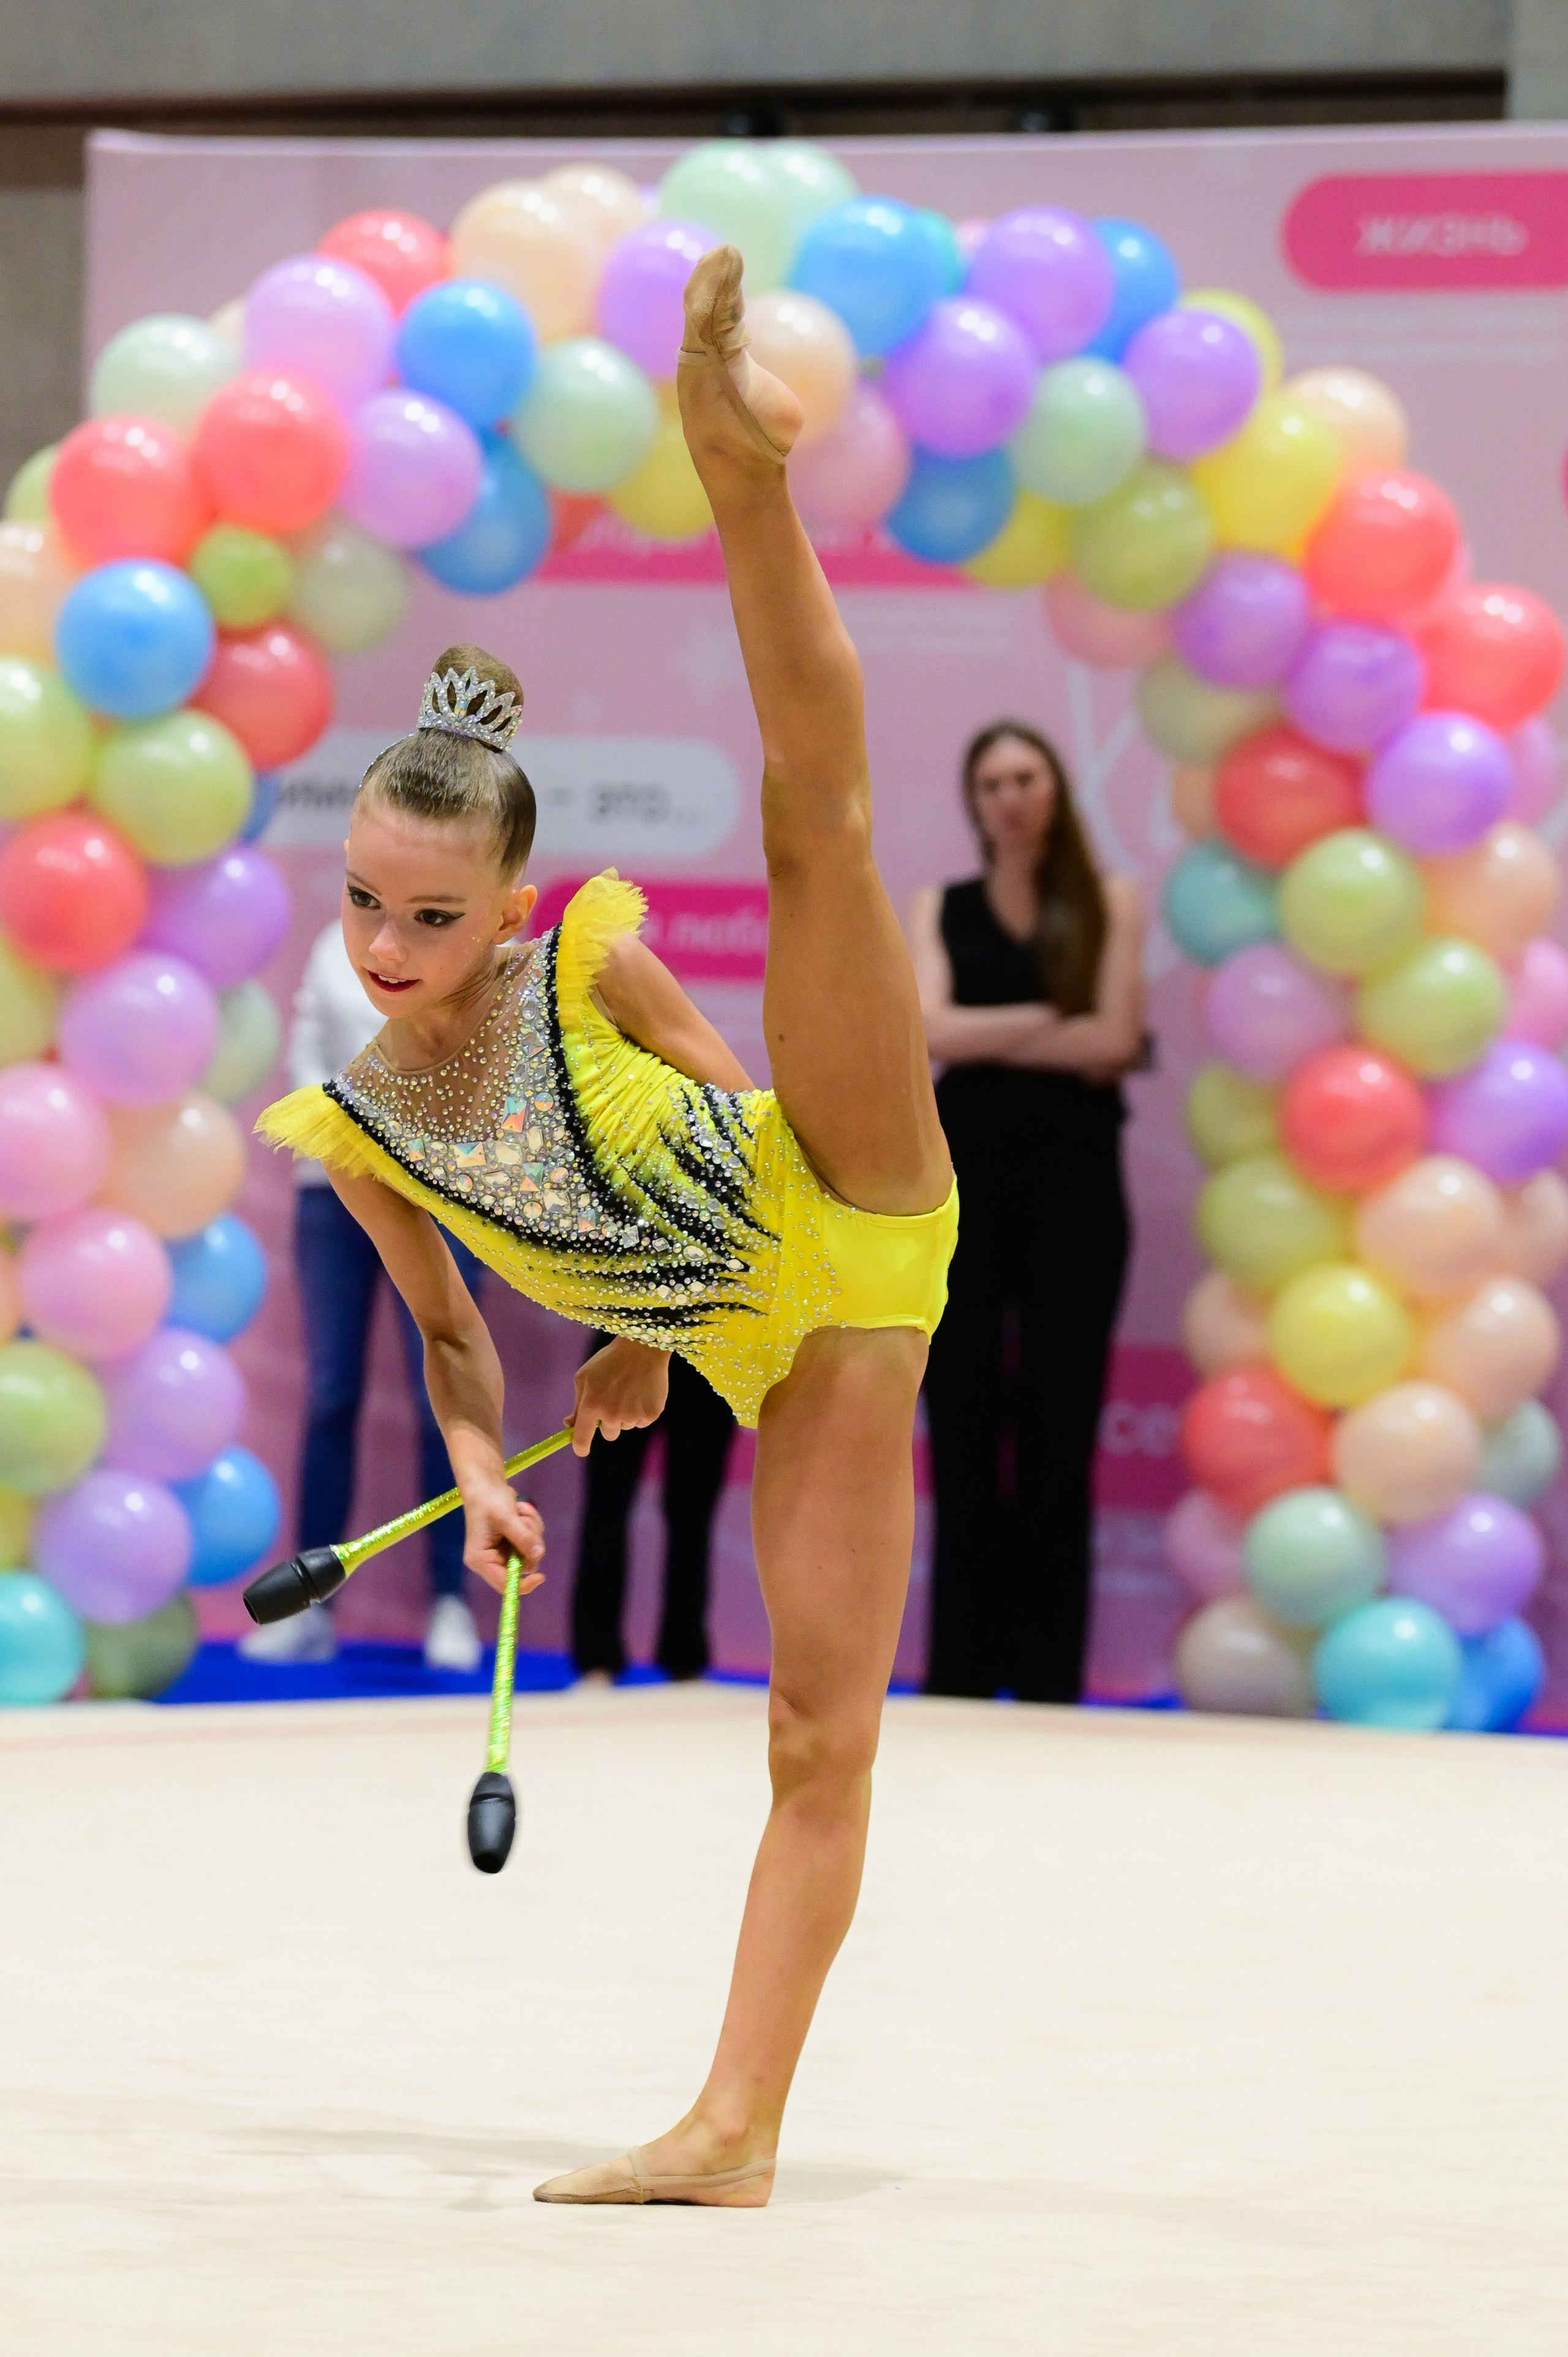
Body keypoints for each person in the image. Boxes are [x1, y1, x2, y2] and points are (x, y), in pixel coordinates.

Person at [257, 246, 957, 2208]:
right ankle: (731, 2135)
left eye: (430, 914)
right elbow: (459, 1347)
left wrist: (648, 1297)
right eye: (363, 906)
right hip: (809, 1345)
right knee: (817, 1735)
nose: (389, 952)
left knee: (817, 824)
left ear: (507, 899)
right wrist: (482, 1476)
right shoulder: (367, 1129)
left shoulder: (592, 961)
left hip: (838, 1169)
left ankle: (735, 465)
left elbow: (735, 1103)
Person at [907, 724, 1145, 1705]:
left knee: (1058, 1433)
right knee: (960, 1429)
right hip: (963, 1197)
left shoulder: (1109, 901)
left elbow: (1118, 1038)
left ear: (1055, 788)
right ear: (975, 798)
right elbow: (930, 1029)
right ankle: (962, 1675)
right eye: (993, 780)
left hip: (1077, 1194)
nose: (1011, 795)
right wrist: (1057, 1014)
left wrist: (993, 1034)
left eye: (1027, 777)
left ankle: (1048, 1680)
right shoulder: (941, 905)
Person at [240, 920, 491, 1673]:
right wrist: (353, 1147)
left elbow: (478, 1070)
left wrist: (418, 1153)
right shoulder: (327, 946)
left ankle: (451, 1599)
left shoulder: (468, 947)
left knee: (445, 1394)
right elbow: (307, 1066)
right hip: (333, 1190)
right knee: (330, 1394)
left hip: (442, 1191)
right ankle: (310, 1608)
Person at [571, 1332, 735, 1683]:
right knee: (607, 1505)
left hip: (710, 1345)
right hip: (624, 1329)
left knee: (693, 1511)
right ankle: (596, 1656)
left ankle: (685, 1655)